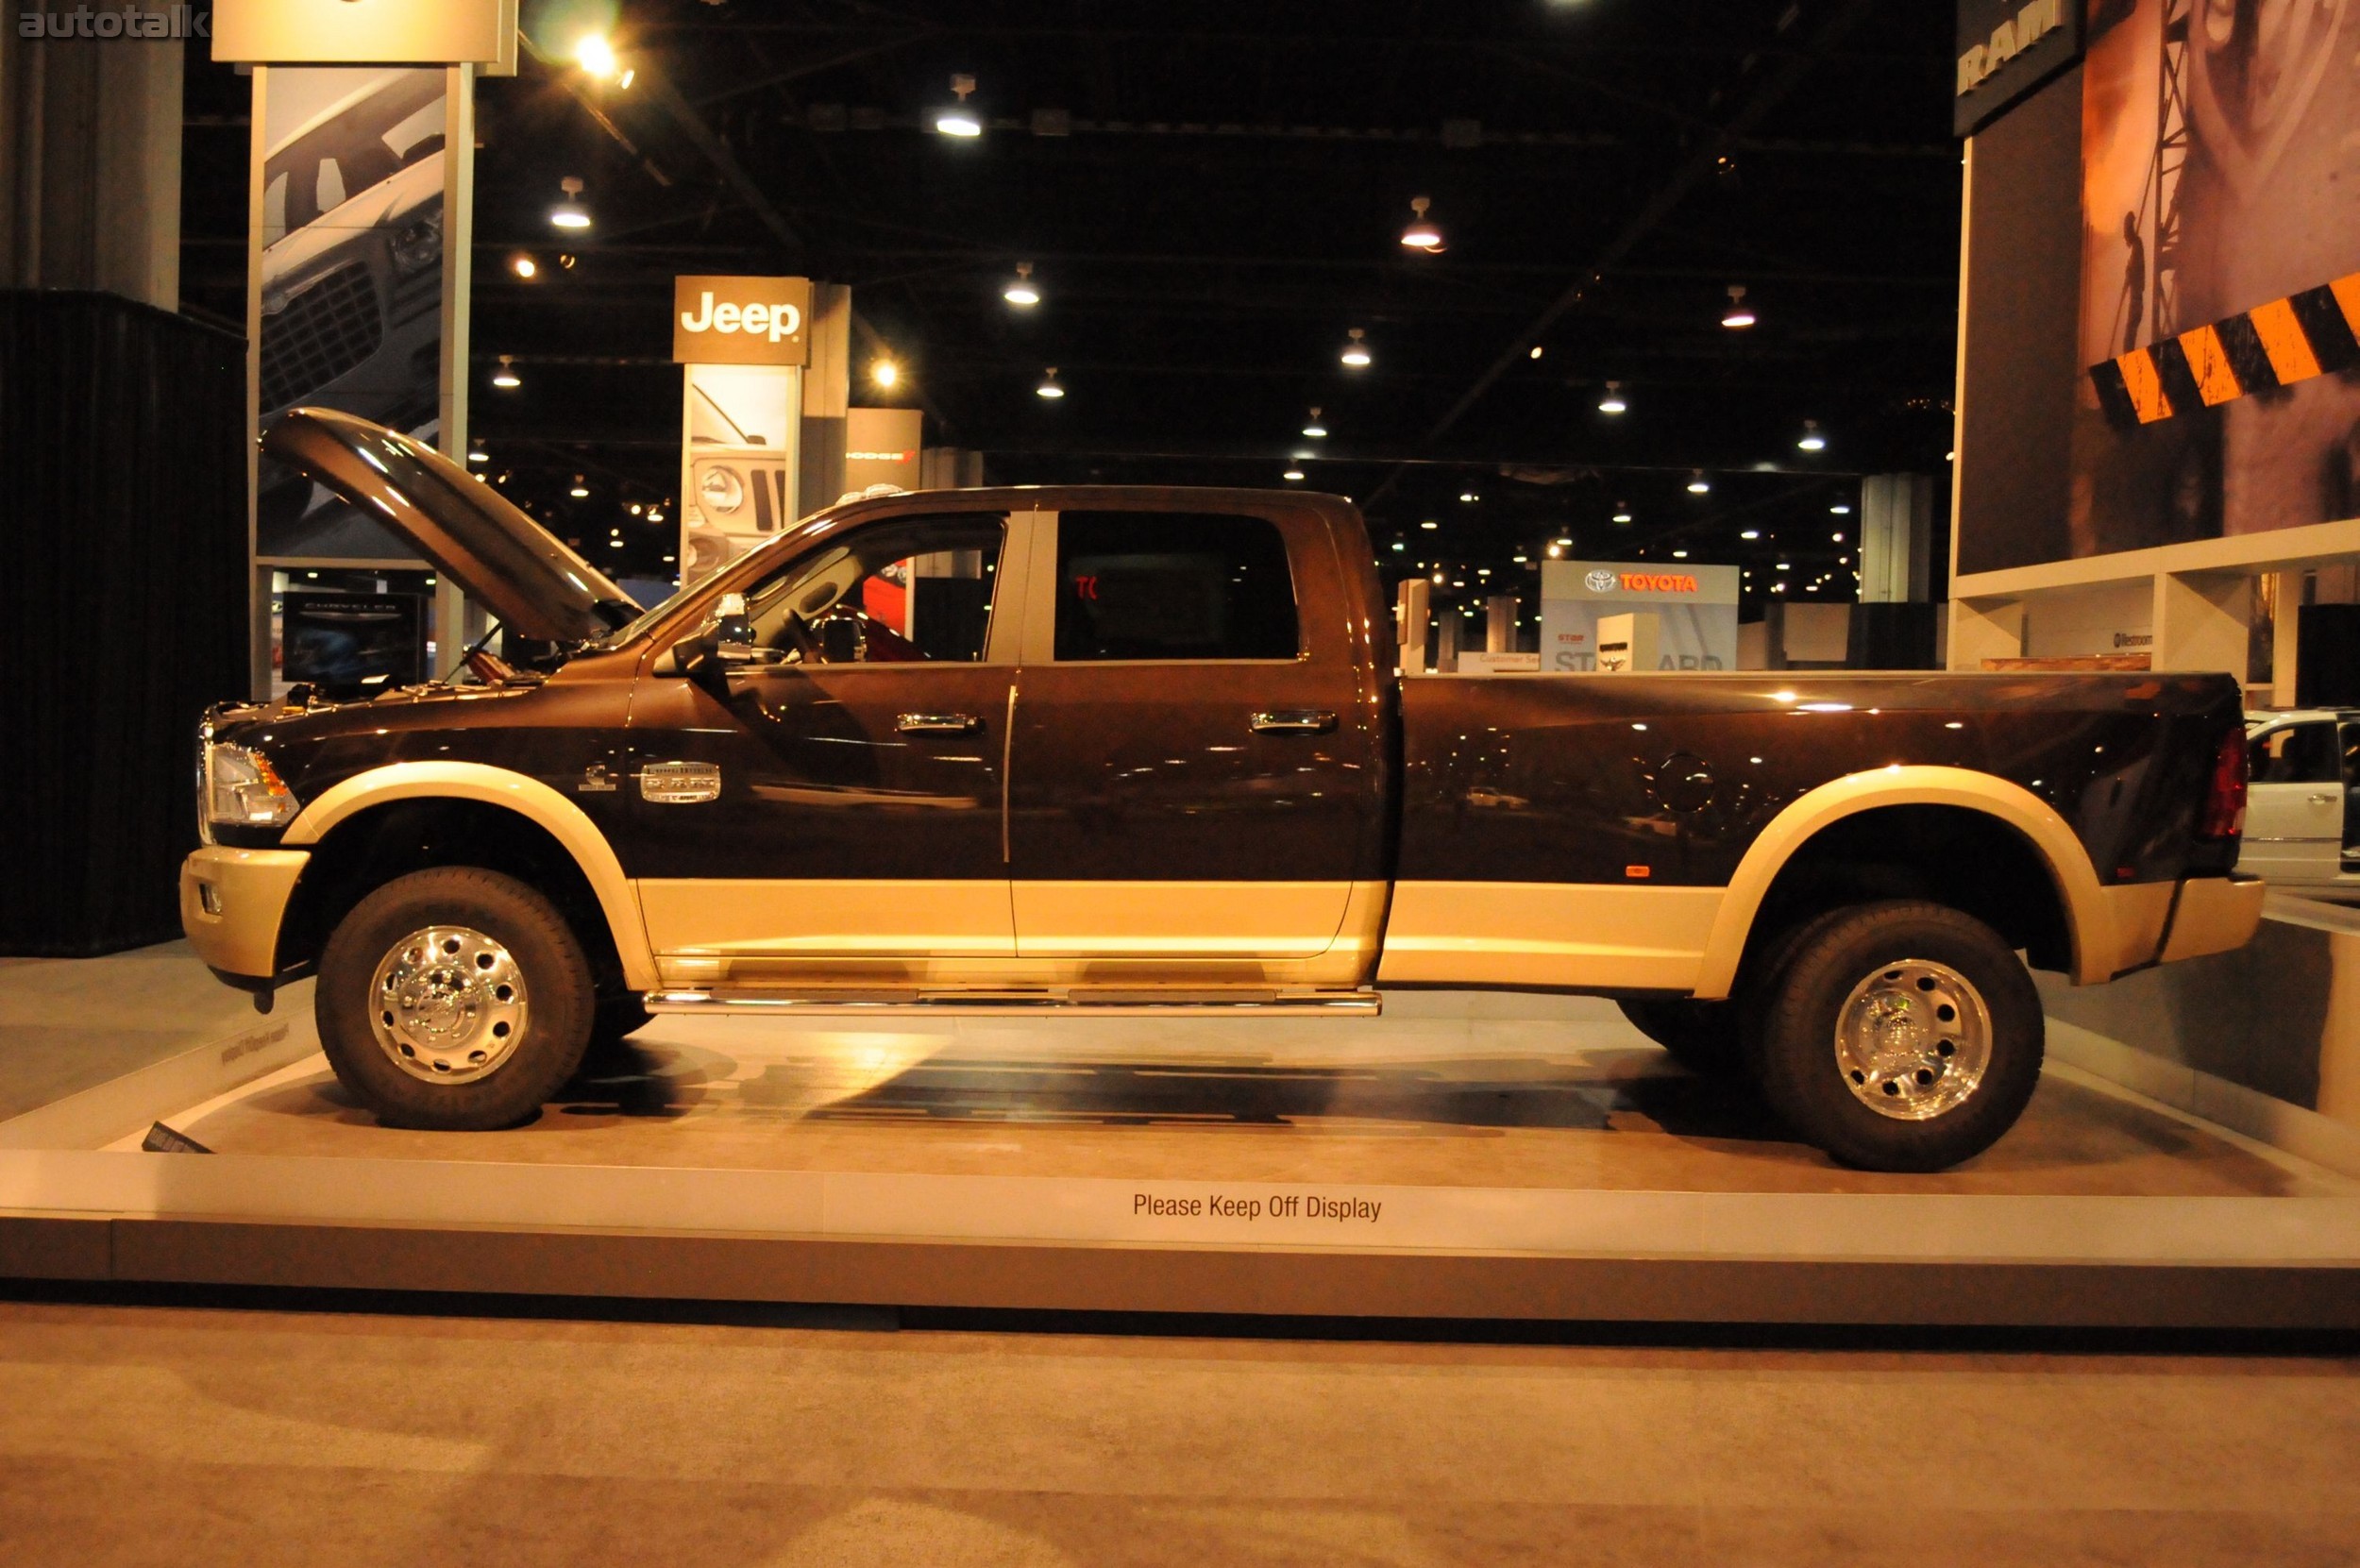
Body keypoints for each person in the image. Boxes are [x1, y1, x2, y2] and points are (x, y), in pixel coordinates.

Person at [2121, 211, 2147, 353]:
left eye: (2126, 233)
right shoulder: (2137, 246)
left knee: (2129, 337)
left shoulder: (2137, 246)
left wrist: (2128, 274)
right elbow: (2132, 269)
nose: (2125, 237)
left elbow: (2134, 270)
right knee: (2129, 335)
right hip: (2136, 298)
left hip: (2136, 299)